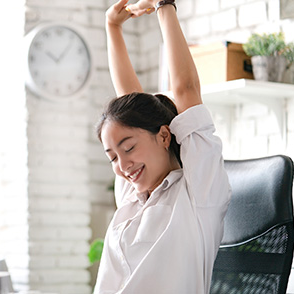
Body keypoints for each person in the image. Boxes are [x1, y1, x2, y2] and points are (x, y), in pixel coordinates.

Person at [94, 0, 232, 293]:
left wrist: (163, 5)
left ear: (165, 135)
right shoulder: (132, 195)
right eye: (113, 157)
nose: (122, 166)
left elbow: (186, 89)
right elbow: (130, 105)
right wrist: (113, 27)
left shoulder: (198, 192)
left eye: (128, 148)